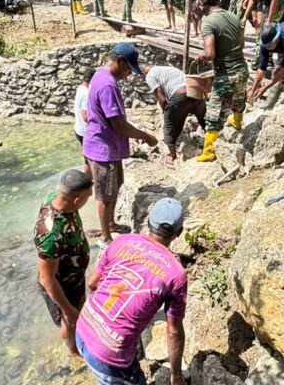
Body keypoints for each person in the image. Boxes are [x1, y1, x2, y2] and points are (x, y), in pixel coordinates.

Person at [76, 197, 189, 385]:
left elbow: (93, 283)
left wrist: (106, 318)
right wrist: (176, 375)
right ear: (178, 233)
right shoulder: (176, 274)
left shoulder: (123, 241)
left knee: (125, 364)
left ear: (148, 222)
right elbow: (173, 330)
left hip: (82, 326)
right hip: (108, 353)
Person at [83, 43, 158, 247]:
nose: (128, 74)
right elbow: (119, 124)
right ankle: (105, 237)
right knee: (106, 196)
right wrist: (146, 137)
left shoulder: (100, 75)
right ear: (120, 61)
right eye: (127, 69)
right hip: (103, 149)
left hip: (107, 146)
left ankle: (111, 224)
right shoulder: (108, 85)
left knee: (115, 187)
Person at [34, 169, 93, 358]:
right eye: (87, 197)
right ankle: (74, 351)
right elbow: (47, 278)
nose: (88, 200)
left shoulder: (56, 199)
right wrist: (67, 310)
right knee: (70, 321)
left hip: (73, 276)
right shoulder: (51, 236)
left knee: (79, 310)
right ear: (77, 199)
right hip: (61, 284)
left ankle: (81, 334)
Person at [195, 0, 248, 161]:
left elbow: (210, 53)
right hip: (242, 69)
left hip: (226, 74)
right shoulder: (234, 17)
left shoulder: (208, 22)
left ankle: (208, 151)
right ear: (219, 1)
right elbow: (241, 44)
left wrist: (201, 58)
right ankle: (237, 122)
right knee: (239, 99)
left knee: (214, 113)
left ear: (201, 6)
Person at [140, 63, 206, 165]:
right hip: (195, 92)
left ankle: (172, 155)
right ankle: (213, 143)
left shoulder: (150, 75)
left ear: (143, 73)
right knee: (204, 120)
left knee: (169, 126)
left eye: (142, 77)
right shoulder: (167, 68)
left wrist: (165, 111)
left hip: (180, 95)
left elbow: (161, 98)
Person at [237, 0, 284, 70]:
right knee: (261, 31)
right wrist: (245, 16)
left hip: (276, 4)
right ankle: (267, 61)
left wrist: (269, 20)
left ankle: (258, 63)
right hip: (266, 2)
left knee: (264, 32)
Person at [74, 68, 96, 177]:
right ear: (89, 80)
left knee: (88, 158)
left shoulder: (80, 88)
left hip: (78, 129)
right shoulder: (86, 93)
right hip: (85, 132)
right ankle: (87, 180)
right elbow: (85, 116)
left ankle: (87, 180)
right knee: (90, 159)